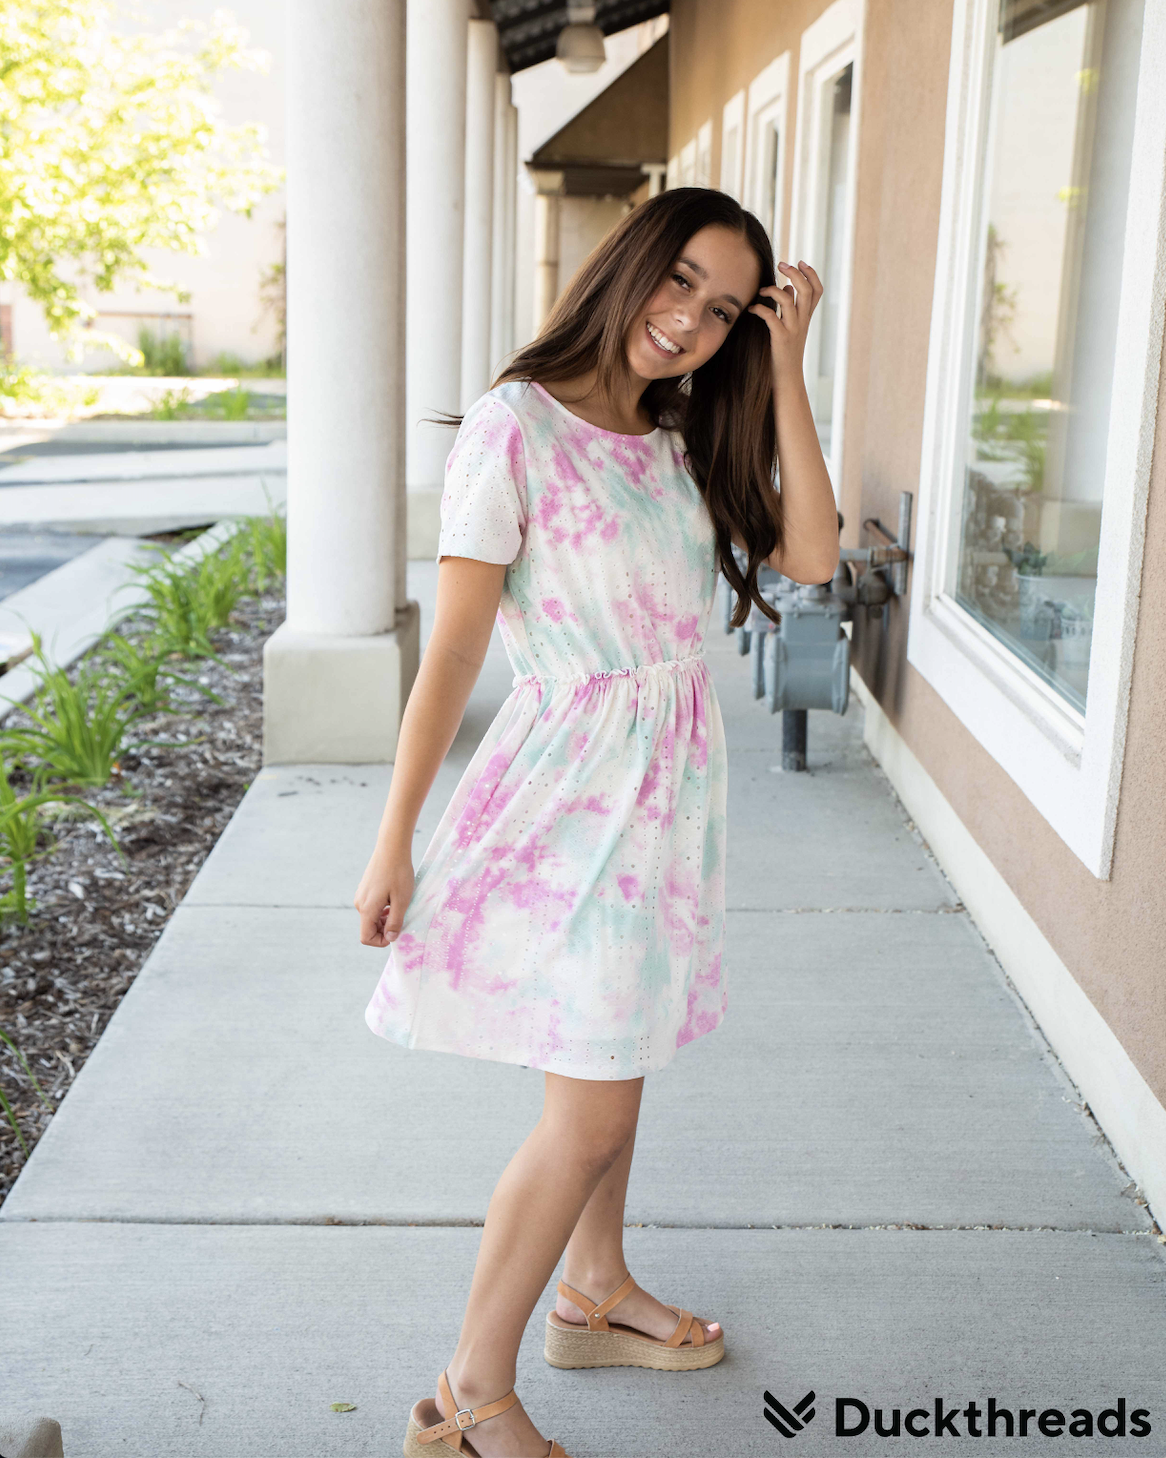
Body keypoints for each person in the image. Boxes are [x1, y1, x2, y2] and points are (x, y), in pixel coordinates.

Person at [354, 187, 839, 1458]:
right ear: (628, 262)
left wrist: (785, 365)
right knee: (588, 1112)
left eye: (724, 309)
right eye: (677, 280)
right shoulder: (515, 428)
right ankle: (468, 1393)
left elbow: (810, 555)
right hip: (567, 796)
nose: (687, 320)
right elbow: (454, 653)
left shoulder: (678, 434)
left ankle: (595, 1288)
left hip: (664, 796)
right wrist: (394, 832)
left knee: (619, 1059)